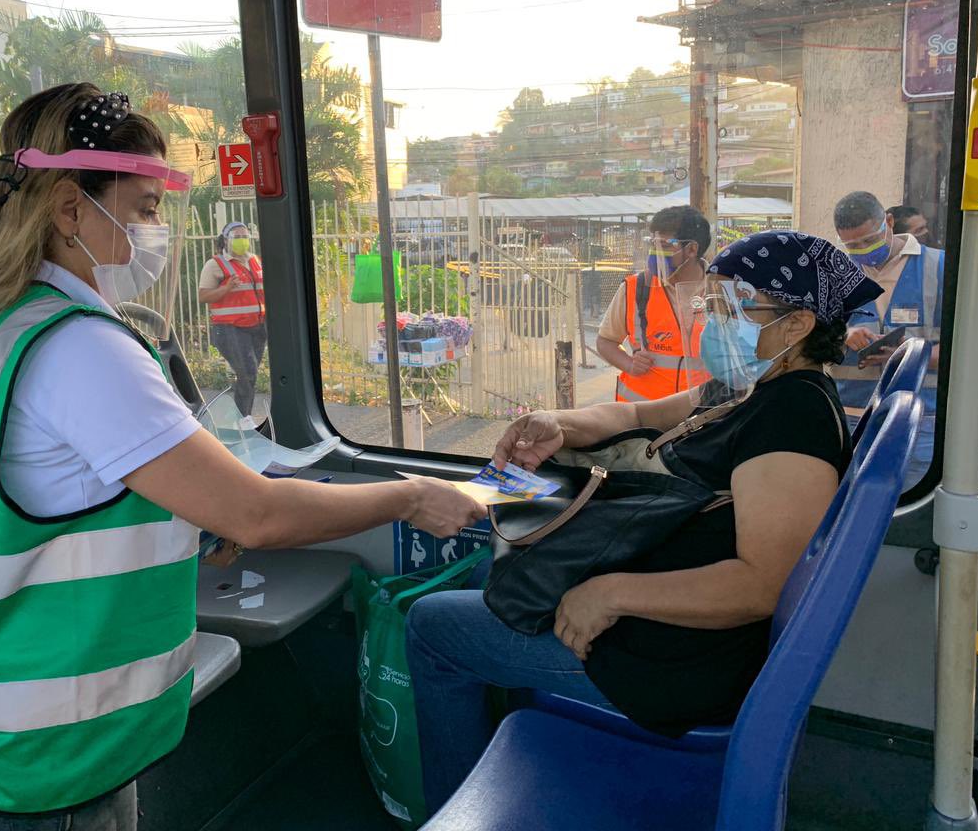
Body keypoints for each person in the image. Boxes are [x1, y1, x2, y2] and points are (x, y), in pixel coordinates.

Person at [0, 84, 484, 831]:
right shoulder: (83, 347)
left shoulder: (16, 320)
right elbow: (257, 514)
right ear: (71, 210)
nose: (155, 233)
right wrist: (411, 495)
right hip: (28, 768)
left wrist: (190, 518)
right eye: (144, 210)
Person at [404, 230, 883, 815]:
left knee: (432, 629)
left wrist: (610, 595)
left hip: (672, 656)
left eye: (734, 306)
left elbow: (762, 584)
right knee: (497, 577)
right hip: (658, 616)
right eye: (712, 302)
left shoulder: (794, 417)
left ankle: (445, 809)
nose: (713, 320)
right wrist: (558, 423)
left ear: (797, 324)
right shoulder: (747, 389)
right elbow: (631, 413)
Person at [833, 191, 944, 484]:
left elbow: (968, 350)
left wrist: (908, 354)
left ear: (889, 222)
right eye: (852, 246)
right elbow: (811, 338)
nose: (863, 250)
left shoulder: (939, 268)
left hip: (917, 423)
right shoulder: (836, 275)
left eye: (869, 240)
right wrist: (843, 334)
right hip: (852, 420)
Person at [596, 206, 709, 403]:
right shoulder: (635, 288)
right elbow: (605, 341)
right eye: (652, 243)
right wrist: (629, 364)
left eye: (665, 245)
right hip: (642, 418)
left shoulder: (721, 290)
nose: (654, 252)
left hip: (701, 416)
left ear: (692, 249)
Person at [198, 221, 266, 421]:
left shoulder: (254, 260)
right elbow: (203, 297)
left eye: (245, 236)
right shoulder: (215, 265)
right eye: (237, 237)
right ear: (226, 240)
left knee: (249, 375)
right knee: (247, 373)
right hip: (230, 328)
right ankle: (244, 419)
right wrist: (226, 288)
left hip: (257, 326)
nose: (242, 241)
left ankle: (239, 416)